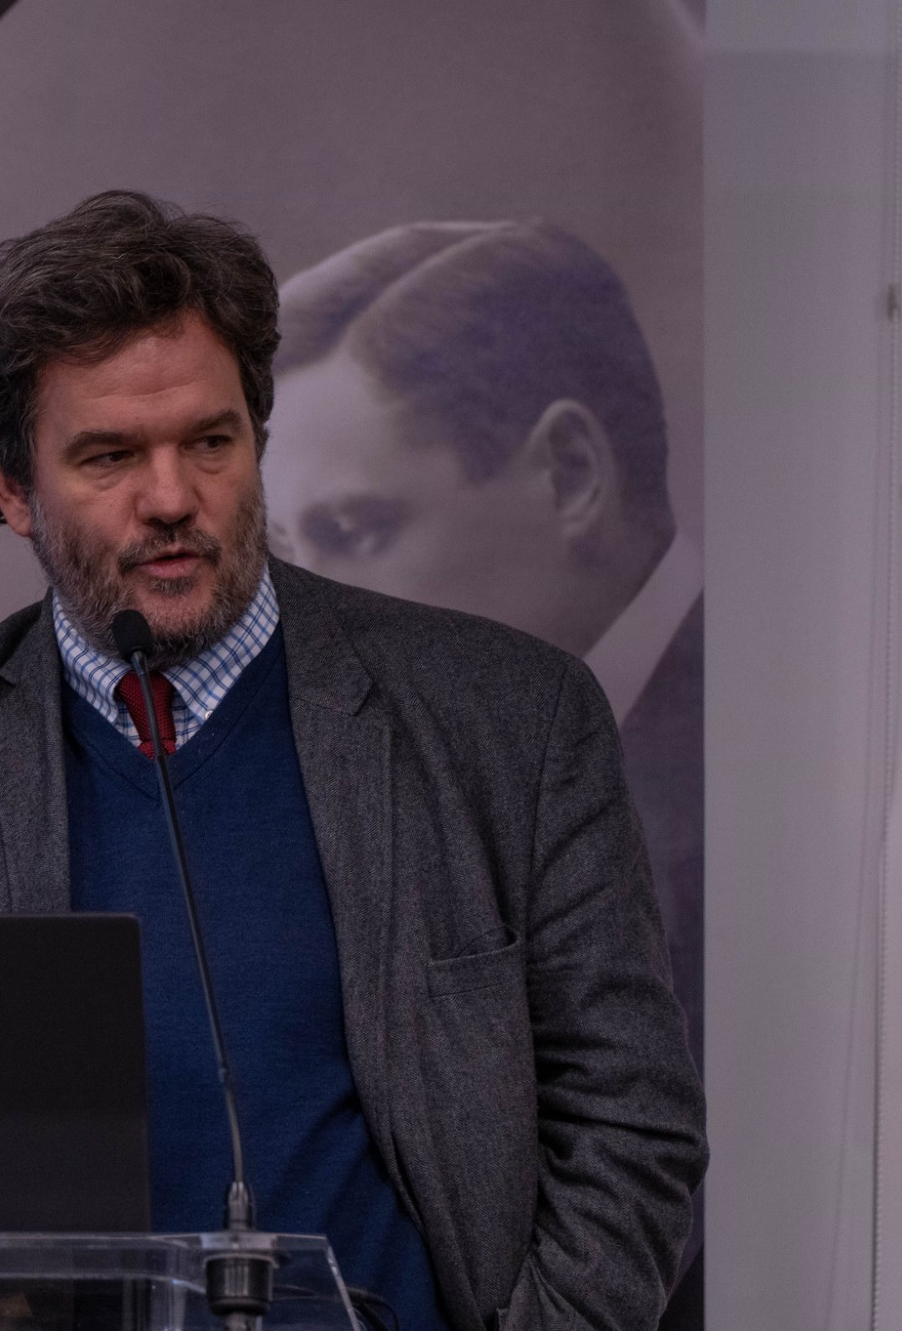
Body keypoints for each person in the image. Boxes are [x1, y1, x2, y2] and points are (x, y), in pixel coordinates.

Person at [0, 192, 705, 1331]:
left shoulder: (512, 717)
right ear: (12, 487)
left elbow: (629, 1120)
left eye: (209, 443)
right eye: (110, 455)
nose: (172, 499)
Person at [261, 222, 705, 1323]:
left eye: (354, 529)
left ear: (570, 473)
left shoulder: (736, 788)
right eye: (288, 553)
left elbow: (649, 1171)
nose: (303, 608)